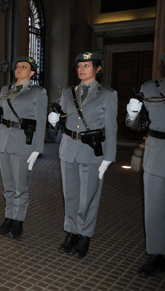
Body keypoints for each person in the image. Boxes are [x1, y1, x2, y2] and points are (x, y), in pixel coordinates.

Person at [126, 40, 165, 289]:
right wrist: (131, 115)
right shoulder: (150, 88)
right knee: (154, 211)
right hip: (155, 154)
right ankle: (157, 256)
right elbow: (135, 125)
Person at [48, 52, 118, 257]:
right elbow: (63, 120)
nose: (81, 68)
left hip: (92, 151)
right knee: (70, 195)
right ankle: (71, 232)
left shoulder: (107, 94)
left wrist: (109, 157)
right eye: (79, 65)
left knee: (88, 197)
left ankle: (85, 235)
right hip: (69, 149)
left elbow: (111, 128)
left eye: (87, 65)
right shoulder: (69, 92)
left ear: (97, 69)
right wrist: (54, 121)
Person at [0, 56, 48, 239]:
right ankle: (8, 217)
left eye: (24, 67)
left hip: (22, 142)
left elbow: (41, 122)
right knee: (8, 185)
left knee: (21, 186)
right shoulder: (5, 89)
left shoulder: (38, 92)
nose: (19, 69)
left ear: (32, 72)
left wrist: (37, 148)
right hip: (3, 140)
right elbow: (3, 114)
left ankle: (18, 221)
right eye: (17, 66)